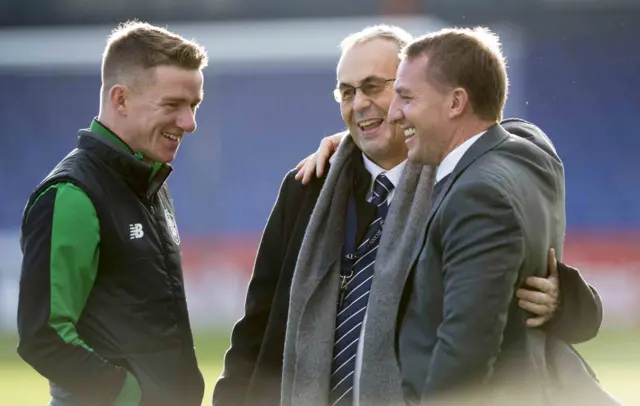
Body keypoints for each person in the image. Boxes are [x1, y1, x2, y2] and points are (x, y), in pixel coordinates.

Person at [213, 26, 602, 406]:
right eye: (347, 92)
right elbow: (256, 327)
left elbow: (505, 136)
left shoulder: (462, 187)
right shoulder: (308, 188)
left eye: (374, 87)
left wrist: (562, 301)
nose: (359, 103)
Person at [380, 27, 614, 404]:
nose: (393, 113)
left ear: (456, 102)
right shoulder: (532, 151)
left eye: (406, 98)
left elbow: (465, 350)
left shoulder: (478, 195)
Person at [17, 21, 207, 406]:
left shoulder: (150, 183)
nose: (189, 122)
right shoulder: (72, 194)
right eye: (173, 105)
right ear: (120, 99)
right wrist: (132, 397)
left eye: (193, 105)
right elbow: (44, 336)